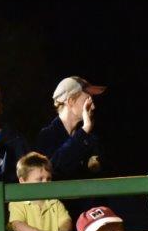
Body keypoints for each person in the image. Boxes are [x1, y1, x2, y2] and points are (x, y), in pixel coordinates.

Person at [37, 76, 107, 219]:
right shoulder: (47, 135)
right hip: (60, 222)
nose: (92, 107)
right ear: (70, 101)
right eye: (87, 100)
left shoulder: (90, 137)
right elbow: (55, 168)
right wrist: (84, 130)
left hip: (90, 218)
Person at [7, 152, 71, 231]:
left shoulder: (54, 202)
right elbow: (17, 224)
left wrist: (64, 230)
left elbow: (65, 220)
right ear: (22, 181)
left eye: (48, 179)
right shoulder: (17, 203)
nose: (45, 183)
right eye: (40, 179)